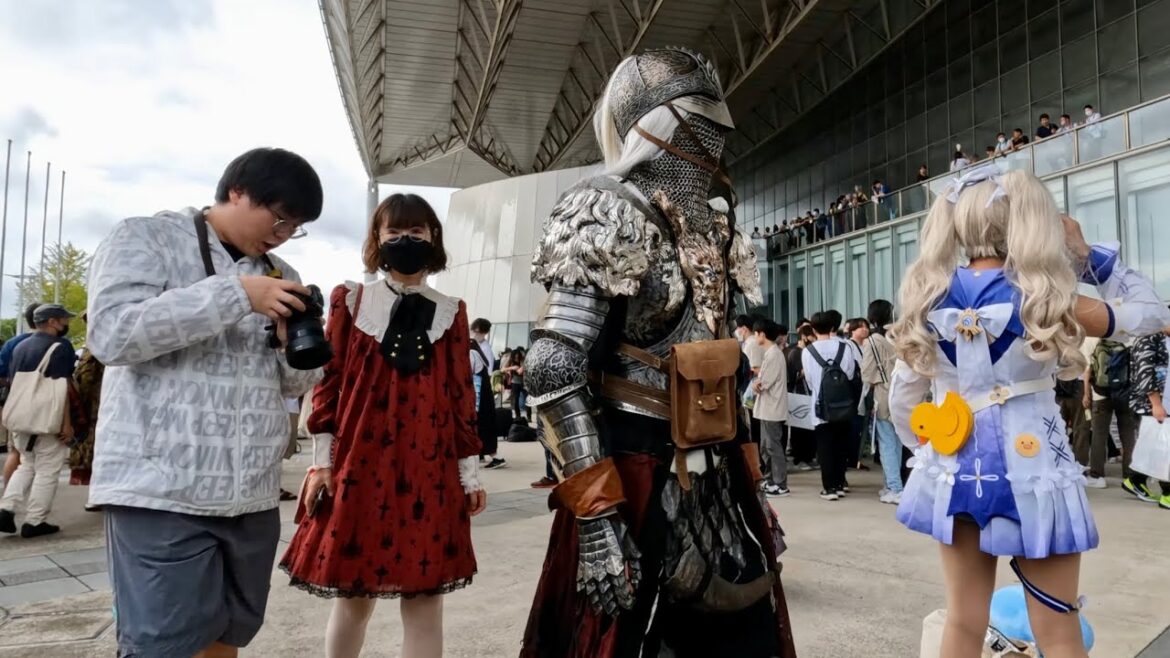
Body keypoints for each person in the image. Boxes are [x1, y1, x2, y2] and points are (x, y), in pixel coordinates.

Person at [522, 47, 795, 658]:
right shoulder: (608, 206)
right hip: (633, 463)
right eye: (699, 119)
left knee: (740, 630)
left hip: (718, 464)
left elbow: (722, 364)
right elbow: (553, 362)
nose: (716, 134)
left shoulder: (714, 221)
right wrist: (595, 516)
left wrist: (749, 480)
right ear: (662, 124)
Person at [888, 163, 1170, 657]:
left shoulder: (926, 296)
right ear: (1031, 220)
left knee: (962, 622)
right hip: (1036, 473)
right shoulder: (1047, 298)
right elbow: (1151, 313)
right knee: (1058, 632)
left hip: (954, 471)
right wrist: (1088, 260)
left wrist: (930, 452)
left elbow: (903, 401)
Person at [86, 147, 325, 658]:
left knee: (227, 635)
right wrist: (236, 295)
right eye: (279, 218)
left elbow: (290, 385)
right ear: (237, 191)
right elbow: (111, 335)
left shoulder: (280, 270)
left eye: (295, 226)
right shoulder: (145, 237)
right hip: (161, 490)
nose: (282, 234)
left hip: (252, 494)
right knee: (163, 646)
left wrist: (290, 344)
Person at [280, 193, 486, 658]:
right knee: (354, 596)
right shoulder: (350, 301)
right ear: (377, 238)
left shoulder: (452, 311)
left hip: (429, 469)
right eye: (393, 232)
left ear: (433, 237)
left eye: (416, 232)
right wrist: (321, 464)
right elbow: (328, 386)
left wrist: (468, 475)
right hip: (358, 465)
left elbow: (460, 397)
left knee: (426, 600)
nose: (404, 240)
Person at [0, 304, 78, 537]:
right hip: (47, 417)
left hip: (20, 415)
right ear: (53, 321)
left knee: (27, 463)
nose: (67, 323)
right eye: (64, 319)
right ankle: (35, 520)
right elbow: (61, 387)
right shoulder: (60, 346)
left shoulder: (19, 345)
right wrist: (66, 423)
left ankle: (6, 508)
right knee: (48, 469)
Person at [803, 311, 858, 501]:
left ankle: (830, 488)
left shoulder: (808, 351)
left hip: (821, 407)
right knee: (841, 444)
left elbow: (810, 381)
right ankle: (841, 483)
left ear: (814, 328)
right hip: (843, 404)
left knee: (825, 447)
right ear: (833, 327)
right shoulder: (845, 347)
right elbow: (850, 374)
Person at [862, 300, 902, 504]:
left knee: (886, 441)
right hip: (903, 392)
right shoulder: (900, 334)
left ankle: (894, 487)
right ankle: (891, 484)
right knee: (897, 440)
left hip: (883, 393)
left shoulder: (872, 341)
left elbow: (866, 373)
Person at [1125, 325, 1170, 507]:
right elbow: (1145, 373)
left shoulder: (1164, 339)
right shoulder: (1147, 339)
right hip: (1150, 405)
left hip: (1164, 403)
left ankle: (1135, 480)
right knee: (1164, 449)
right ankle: (1167, 492)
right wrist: (1156, 404)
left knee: (1151, 448)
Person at [0, 303, 41, 492]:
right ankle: (37, 494)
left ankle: (9, 493)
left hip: (15, 400)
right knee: (46, 454)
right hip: (46, 404)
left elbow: (2, 375)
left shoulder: (12, 344)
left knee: (16, 450)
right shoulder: (56, 342)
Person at [1087, 338, 1137, 488]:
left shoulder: (1093, 340)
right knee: (1128, 435)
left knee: (1099, 435)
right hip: (1124, 394)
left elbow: (1088, 369)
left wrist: (1086, 393)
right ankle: (1129, 475)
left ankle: (1097, 476)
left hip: (1100, 394)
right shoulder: (1128, 338)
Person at [753, 320, 789, 497]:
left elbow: (764, 383)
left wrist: (756, 384)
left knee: (773, 447)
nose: (755, 337)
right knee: (766, 447)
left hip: (772, 408)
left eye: (756, 333)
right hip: (767, 408)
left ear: (762, 334)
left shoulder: (774, 354)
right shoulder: (771, 353)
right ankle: (771, 480)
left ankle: (780, 483)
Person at [470, 318, 505, 469]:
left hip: (479, 390)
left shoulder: (475, 348)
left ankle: (493, 455)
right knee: (482, 422)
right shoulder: (481, 347)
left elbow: (474, 371)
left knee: (481, 422)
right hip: (482, 389)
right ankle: (483, 453)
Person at [788, 323, 818, 471]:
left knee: (810, 428)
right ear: (805, 337)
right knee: (799, 429)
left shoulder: (810, 351)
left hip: (810, 394)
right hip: (799, 394)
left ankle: (809, 456)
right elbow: (796, 374)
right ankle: (799, 458)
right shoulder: (796, 353)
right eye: (812, 336)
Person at [505, 347, 530, 423]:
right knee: (515, 401)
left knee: (527, 400)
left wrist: (516, 368)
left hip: (524, 383)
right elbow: (502, 369)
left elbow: (520, 372)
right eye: (515, 357)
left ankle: (529, 416)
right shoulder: (511, 361)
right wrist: (512, 367)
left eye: (517, 356)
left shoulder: (522, 360)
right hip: (515, 383)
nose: (516, 358)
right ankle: (518, 416)